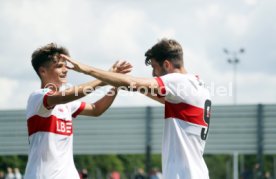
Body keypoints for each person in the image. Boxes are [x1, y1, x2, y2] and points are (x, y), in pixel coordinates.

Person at [61, 38, 212, 179]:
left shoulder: (178, 81)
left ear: (166, 65)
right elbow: (139, 87)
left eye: (154, 67)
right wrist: (116, 81)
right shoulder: (197, 84)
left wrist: (85, 69)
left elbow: (132, 84)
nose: (153, 74)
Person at [24, 43, 132, 179]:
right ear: (43, 71)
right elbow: (66, 96)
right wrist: (103, 79)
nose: (65, 70)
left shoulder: (66, 103)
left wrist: (115, 83)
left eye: (65, 65)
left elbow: (96, 109)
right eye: (59, 66)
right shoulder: (38, 97)